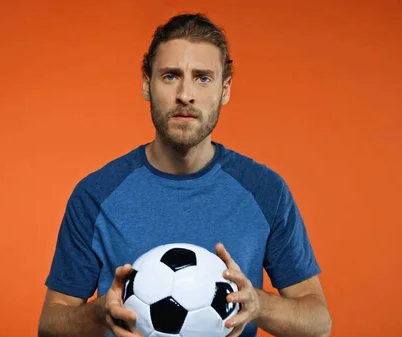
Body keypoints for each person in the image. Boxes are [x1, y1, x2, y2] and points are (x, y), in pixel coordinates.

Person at [38, 13, 332, 337]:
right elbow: (51, 326)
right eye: (170, 76)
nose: (185, 95)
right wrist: (99, 314)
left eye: (203, 78)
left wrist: (258, 305)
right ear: (147, 84)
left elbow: (318, 322)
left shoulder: (265, 191)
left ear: (225, 89)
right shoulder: (96, 194)